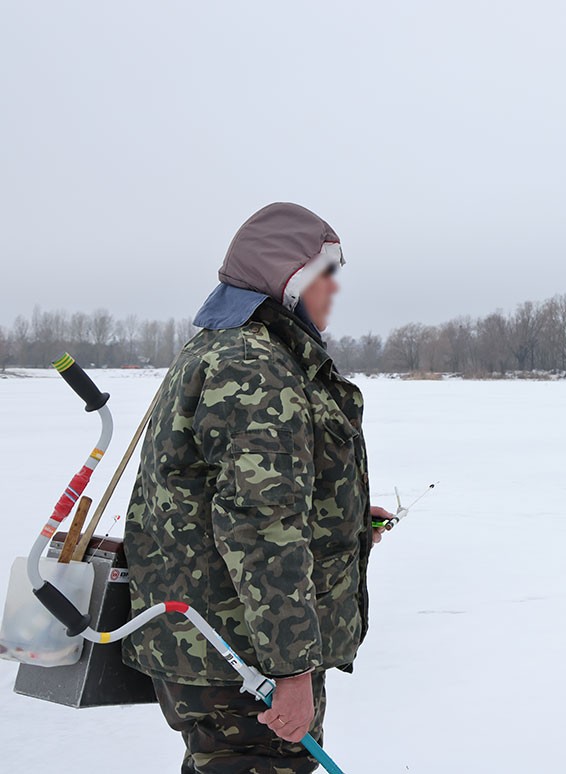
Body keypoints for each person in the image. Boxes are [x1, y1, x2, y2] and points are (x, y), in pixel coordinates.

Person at [123, 202, 395, 773]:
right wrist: (291, 671)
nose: (334, 292)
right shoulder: (253, 364)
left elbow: (232, 494)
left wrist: (338, 518)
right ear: (288, 278)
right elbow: (258, 525)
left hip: (220, 647)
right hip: (243, 659)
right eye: (326, 275)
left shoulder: (224, 350)